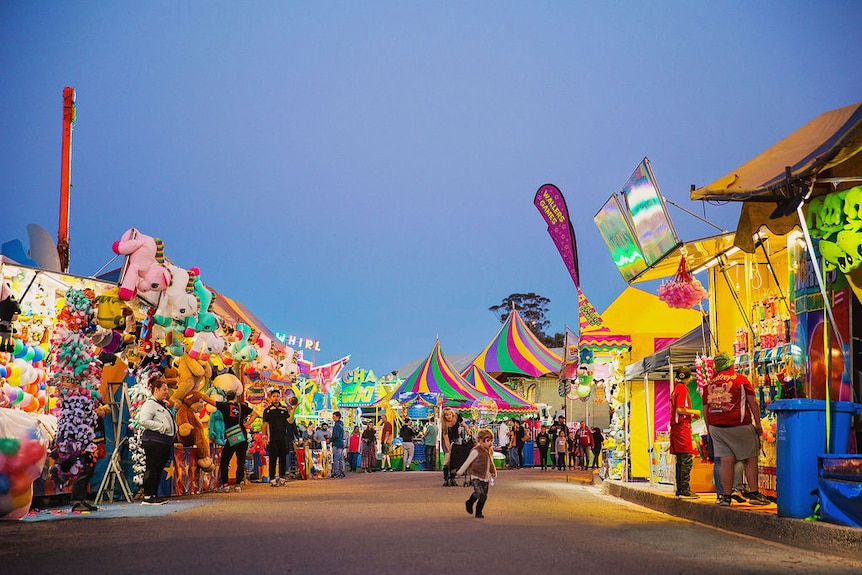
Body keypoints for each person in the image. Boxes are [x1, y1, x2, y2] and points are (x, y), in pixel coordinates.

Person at [703, 352, 770, 506]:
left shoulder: (709, 384)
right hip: (739, 425)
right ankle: (754, 494)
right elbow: (753, 402)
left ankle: (726, 497)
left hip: (716, 427)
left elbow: (705, 408)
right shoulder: (740, 380)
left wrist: (710, 429)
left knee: (726, 461)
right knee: (750, 458)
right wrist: (758, 425)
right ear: (730, 365)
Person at [201, 388, 256, 492]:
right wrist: (246, 424)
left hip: (231, 437)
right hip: (242, 436)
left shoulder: (224, 406)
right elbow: (255, 414)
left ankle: (225, 484)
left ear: (226, 397)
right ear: (235, 397)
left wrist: (202, 395)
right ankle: (238, 485)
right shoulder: (241, 407)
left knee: (225, 461)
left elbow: (210, 401)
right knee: (241, 461)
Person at [137, 373, 176, 505]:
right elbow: (144, 421)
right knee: (152, 468)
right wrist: (162, 427)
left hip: (164, 442)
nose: (167, 392)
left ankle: (154, 494)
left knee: (158, 469)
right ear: (156, 390)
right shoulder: (150, 404)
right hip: (154, 441)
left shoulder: (161, 405)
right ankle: (147, 496)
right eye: (164, 389)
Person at [670, 367, 701, 498]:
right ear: (689, 378)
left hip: (678, 428)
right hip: (682, 428)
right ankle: (685, 488)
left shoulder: (676, 388)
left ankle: (680, 488)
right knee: (686, 458)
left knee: (681, 459)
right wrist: (695, 412)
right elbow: (680, 409)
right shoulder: (682, 389)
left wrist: (690, 415)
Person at [455, 428, 497, 519]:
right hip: (475, 475)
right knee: (479, 492)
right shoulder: (476, 450)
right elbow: (467, 462)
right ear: (480, 441)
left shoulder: (489, 451)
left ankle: (479, 511)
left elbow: (491, 463)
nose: (490, 443)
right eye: (487, 441)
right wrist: (460, 472)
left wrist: (493, 472)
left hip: (485, 477)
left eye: (491, 441)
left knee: (484, 496)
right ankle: (469, 502)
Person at [261, 388, 291, 486]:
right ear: (270, 398)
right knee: (273, 458)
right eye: (274, 396)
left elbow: (289, 421)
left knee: (283, 458)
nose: (276, 398)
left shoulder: (284, 409)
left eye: (277, 396)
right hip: (272, 438)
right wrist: (264, 437)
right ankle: (272, 478)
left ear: (280, 397)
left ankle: (282, 477)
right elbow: (265, 424)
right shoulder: (268, 410)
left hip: (283, 438)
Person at [441, 406, 470, 486]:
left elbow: (465, 426)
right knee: (448, 457)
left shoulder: (457, 417)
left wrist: (469, 434)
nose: (448, 417)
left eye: (450, 414)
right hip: (447, 441)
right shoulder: (444, 424)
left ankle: (453, 478)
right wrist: (449, 449)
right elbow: (446, 439)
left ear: (452, 414)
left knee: (455, 459)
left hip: (456, 439)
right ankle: (446, 478)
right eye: (446, 415)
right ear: (444, 417)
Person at [330, 411, 346, 478]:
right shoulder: (341, 425)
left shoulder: (337, 425)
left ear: (337, 417)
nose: (333, 418)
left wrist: (330, 440)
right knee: (341, 459)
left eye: (334, 416)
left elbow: (335, 435)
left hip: (337, 443)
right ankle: (342, 472)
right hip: (341, 443)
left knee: (336, 459)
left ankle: (336, 472)